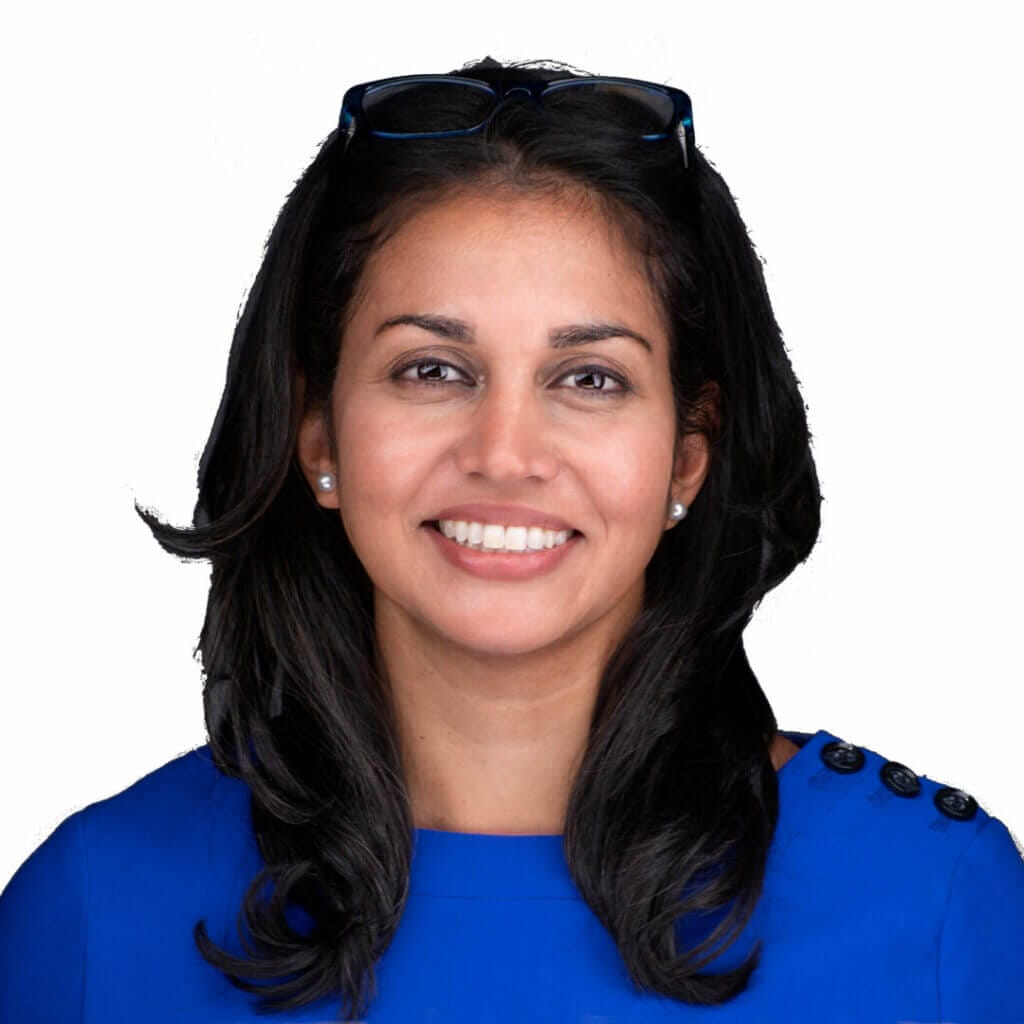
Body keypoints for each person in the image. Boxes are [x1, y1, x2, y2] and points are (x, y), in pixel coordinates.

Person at [1, 55, 1022, 1023]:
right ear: (318, 436)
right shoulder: (94, 910)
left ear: (687, 456)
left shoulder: (936, 901)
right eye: (432, 370)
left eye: (590, 378)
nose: (505, 453)